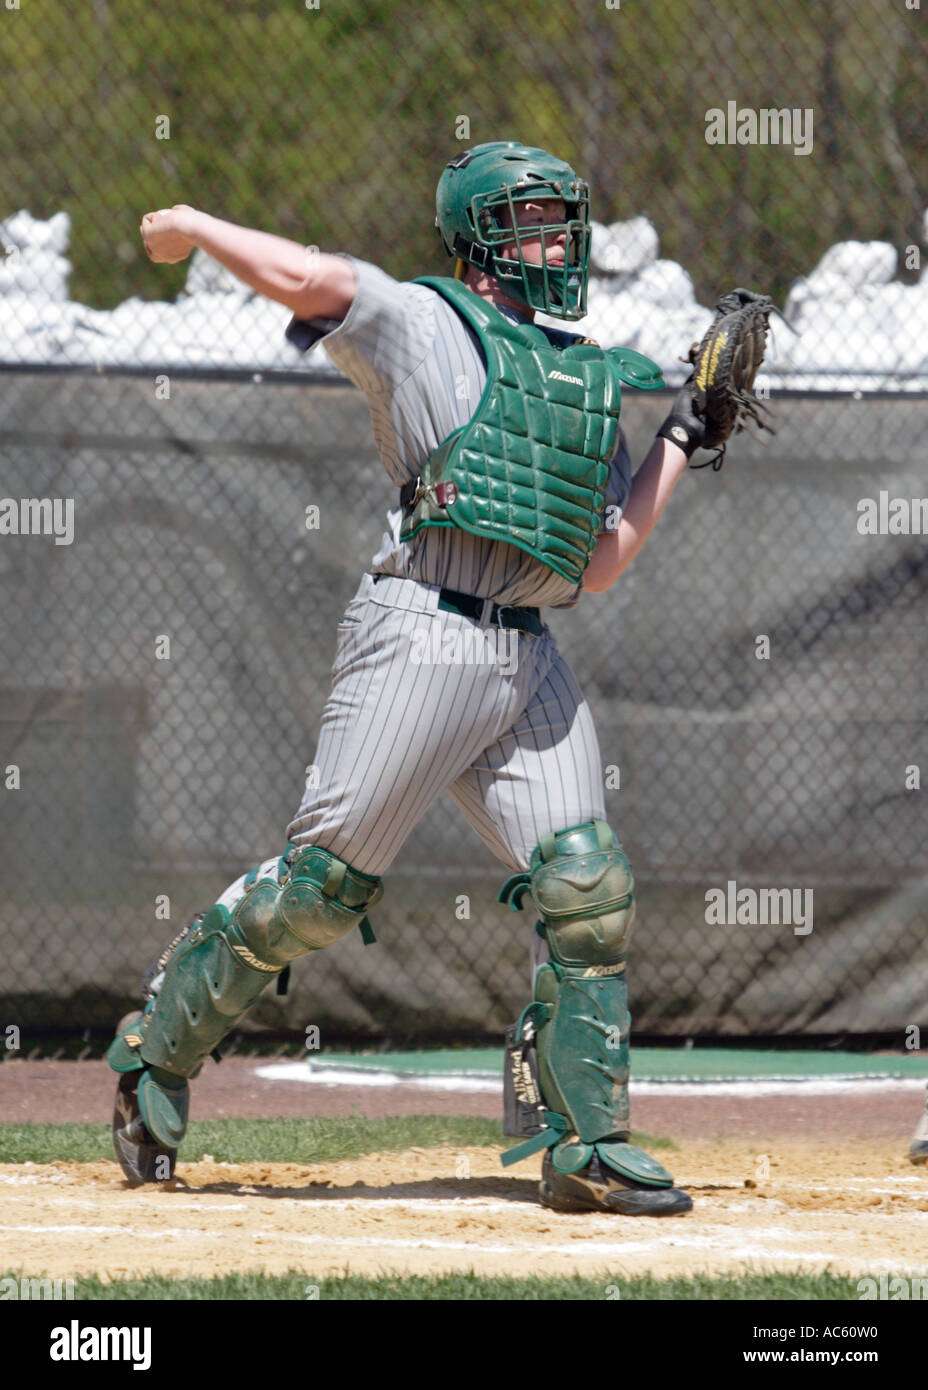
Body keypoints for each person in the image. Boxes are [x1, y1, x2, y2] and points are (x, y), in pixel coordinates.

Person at [109, 141, 715, 1215]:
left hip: (528, 652)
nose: (558, 243)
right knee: (320, 890)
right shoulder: (422, 320)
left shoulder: (582, 376)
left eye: (564, 223)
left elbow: (603, 560)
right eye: (533, 222)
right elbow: (311, 279)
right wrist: (197, 222)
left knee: (587, 889)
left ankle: (586, 1142)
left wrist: (681, 435)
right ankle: (154, 1048)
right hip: (419, 632)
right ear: (480, 242)